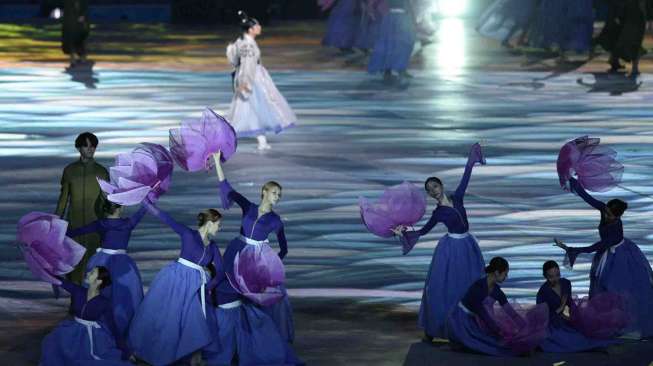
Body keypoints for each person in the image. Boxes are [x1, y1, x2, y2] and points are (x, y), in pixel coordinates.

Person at [394, 143, 486, 341]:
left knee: (469, 286)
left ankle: (468, 326)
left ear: (441, 185)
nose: (433, 191)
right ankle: (434, 329)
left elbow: (466, 177)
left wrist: (472, 159)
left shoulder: (458, 197)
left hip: (467, 246)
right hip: (451, 250)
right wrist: (403, 233)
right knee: (444, 288)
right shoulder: (438, 213)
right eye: (429, 190)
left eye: (434, 186)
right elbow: (423, 231)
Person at [554, 177, 653, 338]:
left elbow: (599, 245)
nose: (605, 215)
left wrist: (576, 250)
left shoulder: (616, 228)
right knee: (601, 287)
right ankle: (607, 322)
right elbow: (589, 198)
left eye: (609, 214)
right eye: (605, 211)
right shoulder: (604, 209)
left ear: (617, 216)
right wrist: (574, 183)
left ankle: (626, 325)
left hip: (620, 256)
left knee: (618, 288)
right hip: (607, 254)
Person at [213, 152, 295, 343]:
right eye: (275, 192)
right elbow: (228, 189)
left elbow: (284, 248)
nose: (277, 197)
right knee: (228, 289)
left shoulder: (275, 220)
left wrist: (270, 267)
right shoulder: (248, 207)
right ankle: (226, 335)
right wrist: (217, 161)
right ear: (264, 191)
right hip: (237, 251)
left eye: (279, 195)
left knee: (254, 299)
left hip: (255, 260)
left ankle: (257, 339)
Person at [128, 202, 223, 365]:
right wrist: (146, 202)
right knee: (168, 318)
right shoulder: (188, 234)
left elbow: (221, 271)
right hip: (177, 281)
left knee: (194, 321)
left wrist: (209, 287)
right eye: (218, 225)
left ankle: (193, 357)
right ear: (209, 223)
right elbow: (166, 218)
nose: (219, 228)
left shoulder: (213, 247)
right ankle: (148, 351)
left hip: (198, 287)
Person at [66, 201, 148, 354]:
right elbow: (143, 211)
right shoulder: (128, 223)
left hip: (101, 262)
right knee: (125, 299)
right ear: (121, 207)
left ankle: (97, 332)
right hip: (123, 266)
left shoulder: (101, 223)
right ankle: (124, 335)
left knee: (99, 295)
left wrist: (53, 234)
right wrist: (150, 197)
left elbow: (76, 232)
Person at [446, 257, 547, 356]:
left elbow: (510, 311)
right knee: (488, 343)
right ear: (497, 272)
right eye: (505, 274)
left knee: (495, 339)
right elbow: (483, 313)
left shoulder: (496, 291)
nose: (506, 277)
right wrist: (498, 331)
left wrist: (524, 328)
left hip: (476, 319)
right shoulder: (478, 287)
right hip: (462, 320)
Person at [226, 11, 297, 151]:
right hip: (253, 78)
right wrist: (245, 82)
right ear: (251, 29)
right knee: (253, 107)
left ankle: (261, 139)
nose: (260, 27)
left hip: (253, 76)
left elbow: (234, 58)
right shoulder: (247, 45)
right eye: (257, 25)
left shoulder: (242, 43)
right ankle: (253, 139)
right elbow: (248, 65)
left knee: (252, 108)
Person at [41, 267, 131, 365]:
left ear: (99, 281)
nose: (87, 274)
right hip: (73, 330)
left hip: (92, 336)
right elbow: (61, 281)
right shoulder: (78, 291)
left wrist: (126, 352)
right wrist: (44, 268)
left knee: (89, 358)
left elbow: (113, 328)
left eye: (92, 273)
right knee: (52, 344)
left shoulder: (104, 303)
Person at [55, 132, 109, 286]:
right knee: (74, 264)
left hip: (95, 227)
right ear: (79, 147)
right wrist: (55, 224)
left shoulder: (101, 172)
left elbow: (106, 200)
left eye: (93, 146)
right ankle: (75, 301)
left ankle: (92, 301)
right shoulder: (69, 171)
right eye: (86, 145)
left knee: (94, 265)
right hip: (75, 226)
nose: (90, 149)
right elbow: (63, 200)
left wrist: (109, 225)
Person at [537, 260, 618, 352]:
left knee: (585, 334)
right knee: (569, 341)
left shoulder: (566, 283)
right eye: (551, 276)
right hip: (553, 323)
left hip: (569, 317)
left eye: (558, 274)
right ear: (545, 276)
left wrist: (568, 314)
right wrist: (560, 309)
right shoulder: (543, 292)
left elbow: (569, 303)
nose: (555, 278)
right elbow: (542, 315)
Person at [594, 0, 650, 77]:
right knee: (628, 40)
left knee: (631, 41)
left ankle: (619, 62)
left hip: (632, 16)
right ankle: (617, 62)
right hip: (630, 15)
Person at [367, 0, 417, 81]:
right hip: (393, 19)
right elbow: (372, 4)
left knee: (404, 44)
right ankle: (389, 71)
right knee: (389, 44)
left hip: (400, 18)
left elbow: (409, 6)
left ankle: (400, 69)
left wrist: (413, 20)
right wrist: (372, 13)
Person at [62, 0, 90, 66]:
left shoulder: (82, 2)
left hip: (79, 24)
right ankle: (73, 59)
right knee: (71, 41)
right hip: (71, 23)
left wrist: (83, 16)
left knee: (80, 40)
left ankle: (81, 56)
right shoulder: (68, 3)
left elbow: (85, 9)